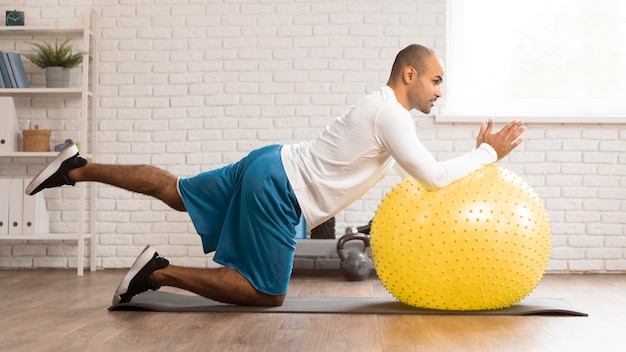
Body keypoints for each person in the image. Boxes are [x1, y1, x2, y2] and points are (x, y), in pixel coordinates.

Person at [26, 44, 525, 307]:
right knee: (268, 293)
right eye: (436, 80)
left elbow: (427, 166)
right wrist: (487, 154)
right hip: (280, 188)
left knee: (176, 191)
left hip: (270, 160)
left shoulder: (381, 108)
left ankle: (76, 167)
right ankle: (156, 272)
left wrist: (477, 153)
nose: (441, 91)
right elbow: (435, 178)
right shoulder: (391, 113)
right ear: (410, 74)